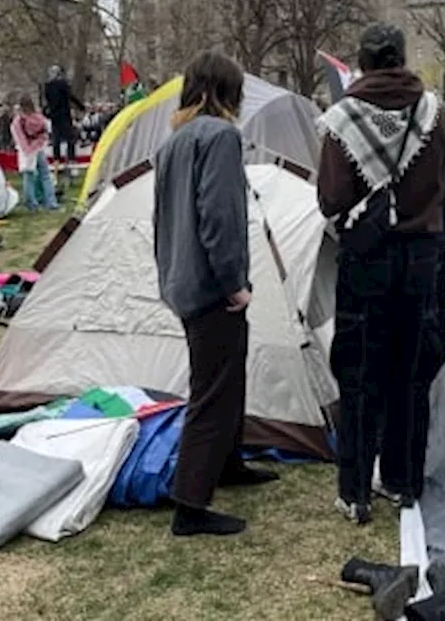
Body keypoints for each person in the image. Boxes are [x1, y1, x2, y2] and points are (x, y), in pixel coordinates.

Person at [317, 23, 445, 524]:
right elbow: (438, 179)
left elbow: (331, 199)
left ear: (364, 62)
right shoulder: (433, 110)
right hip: (420, 256)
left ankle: (354, 491)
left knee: (359, 373)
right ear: (401, 57)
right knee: (411, 372)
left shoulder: (341, 118)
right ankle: (403, 480)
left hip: (367, 258)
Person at [152, 50, 277, 537]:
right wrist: (234, 284)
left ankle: (229, 463)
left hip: (182, 281)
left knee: (227, 378)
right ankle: (190, 503)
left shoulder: (174, 141)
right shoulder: (221, 137)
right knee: (211, 390)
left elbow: (163, 219)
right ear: (226, 93)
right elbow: (219, 218)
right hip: (211, 287)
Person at [11, 95, 58, 211]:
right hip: (39, 148)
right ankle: (51, 202)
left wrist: (27, 149)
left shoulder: (19, 121)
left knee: (28, 177)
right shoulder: (39, 118)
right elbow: (45, 131)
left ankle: (32, 203)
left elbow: (19, 137)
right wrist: (39, 143)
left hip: (26, 150)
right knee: (45, 176)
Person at [44, 65, 85, 162]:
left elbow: (47, 100)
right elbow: (70, 96)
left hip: (54, 116)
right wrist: (80, 106)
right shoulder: (63, 84)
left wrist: (47, 111)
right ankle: (71, 158)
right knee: (70, 138)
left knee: (56, 139)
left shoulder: (47, 86)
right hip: (64, 115)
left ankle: (56, 159)